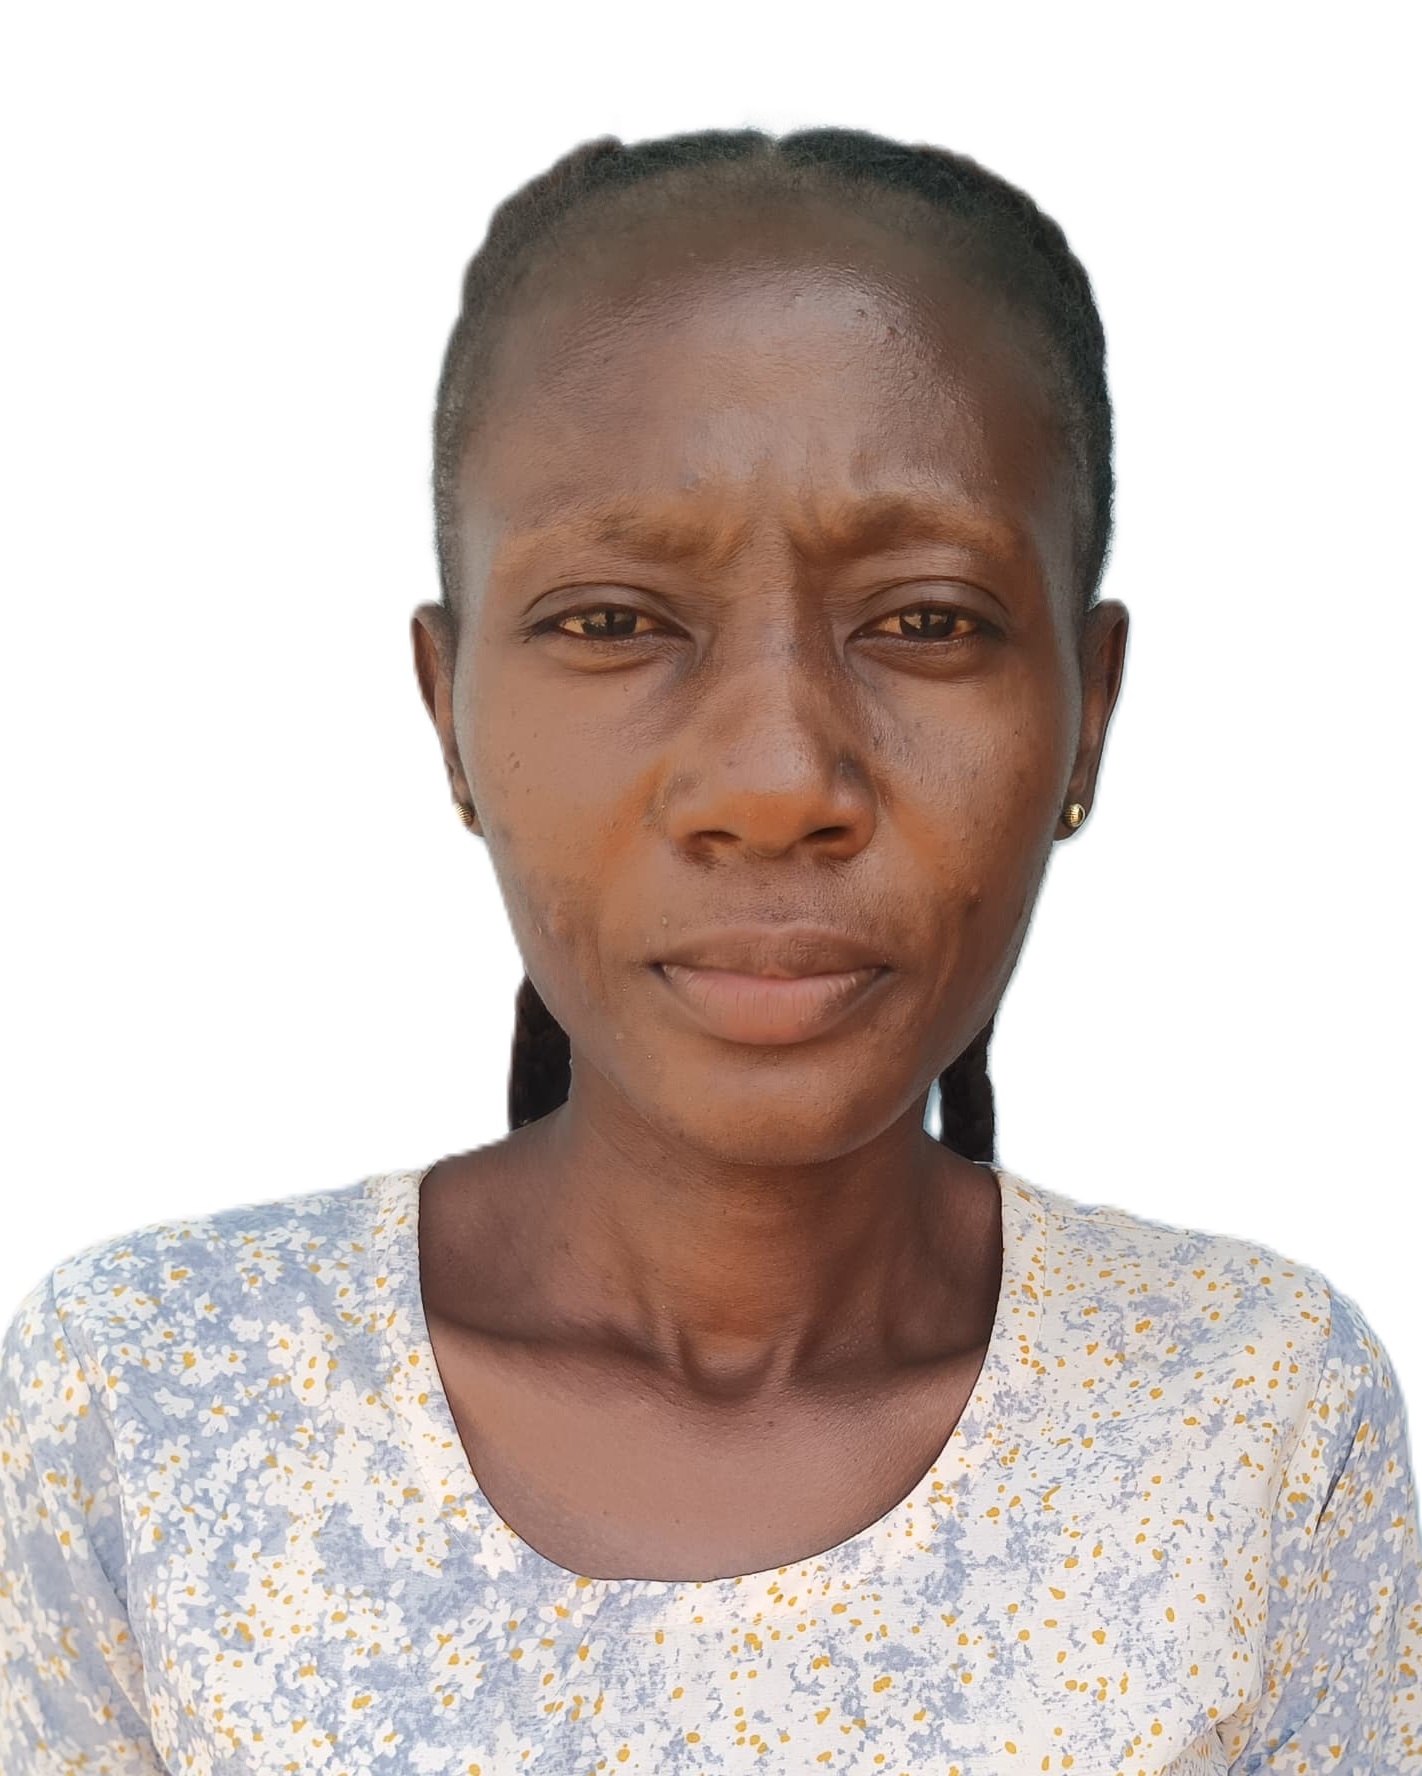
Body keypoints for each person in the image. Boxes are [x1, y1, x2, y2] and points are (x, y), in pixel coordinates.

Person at [1, 126, 1417, 1776]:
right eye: (611, 621)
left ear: (1084, 712)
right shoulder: (154, 1398)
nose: (772, 779)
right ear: (448, 716)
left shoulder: (1253, 1416)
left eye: (926, 619)